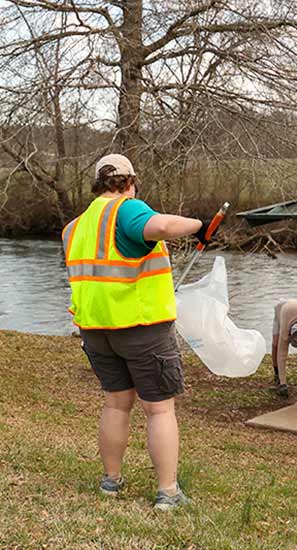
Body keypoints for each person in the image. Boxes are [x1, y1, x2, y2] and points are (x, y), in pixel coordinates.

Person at [61, 153, 213, 510]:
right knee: (159, 409)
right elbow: (158, 227)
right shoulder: (126, 210)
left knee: (116, 403)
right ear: (130, 183)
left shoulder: (75, 226)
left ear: (97, 183)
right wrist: (199, 224)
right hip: (141, 327)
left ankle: (111, 482)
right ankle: (168, 492)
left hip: (97, 331)